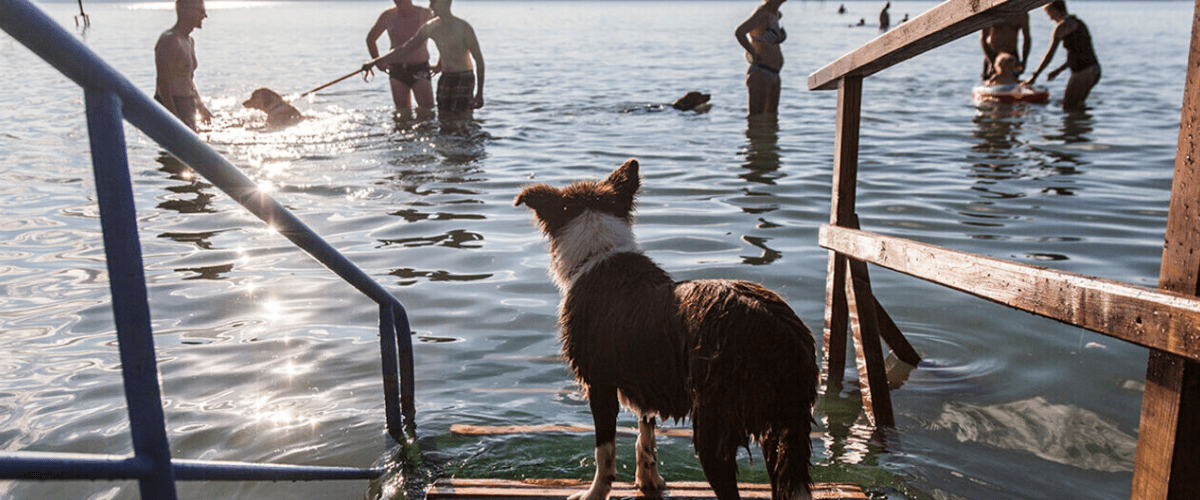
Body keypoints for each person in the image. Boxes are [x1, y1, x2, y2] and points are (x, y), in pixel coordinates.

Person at [371, 0, 484, 121]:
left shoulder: (463, 27)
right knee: (443, 121)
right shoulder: (431, 27)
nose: (430, 6)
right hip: (445, 78)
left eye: (433, 3)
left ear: (445, 3)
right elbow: (405, 48)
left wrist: (479, 94)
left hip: (463, 77)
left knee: (463, 120)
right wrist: (374, 62)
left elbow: (479, 61)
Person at [1024, 0, 1101, 111]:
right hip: (1094, 70)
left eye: (1049, 14)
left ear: (1056, 10)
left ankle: (1075, 127)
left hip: (1082, 72)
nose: (1050, 18)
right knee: (1078, 106)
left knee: (1068, 107)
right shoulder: (1079, 22)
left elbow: (1049, 55)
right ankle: (1084, 127)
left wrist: (1034, 76)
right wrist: (1058, 71)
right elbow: (1078, 54)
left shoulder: (1062, 27)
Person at [366, 0, 434, 114]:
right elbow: (371, 39)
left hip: (420, 68)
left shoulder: (425, 13)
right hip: (397, 70)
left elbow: (445, 38)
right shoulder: (387, 15)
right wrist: (378, 62)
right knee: (402, 114)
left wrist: (440, 64)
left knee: (427, 112)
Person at [155, 0, 212, 132]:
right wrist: (174, 119)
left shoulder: (189, 41)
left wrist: (201, 107)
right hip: (173, 106)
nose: (205, 16)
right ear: (186, 11)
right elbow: (163, 83)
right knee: (170, 152)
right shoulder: (170, 40)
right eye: (201, 11)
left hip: (188, 105)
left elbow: (188, 79)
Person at [735, 0, 787, 116]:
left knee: (772, 120)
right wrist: (752, 51)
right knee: (756, 119)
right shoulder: (761, 13)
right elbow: (740, 32)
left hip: (775, 73)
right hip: (760, 73)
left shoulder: (775, 14)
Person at [980, 12, 1031, 81]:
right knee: (990, 82)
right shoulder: (992, 12)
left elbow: (1027, 39)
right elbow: (983, 39)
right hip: (993, 54)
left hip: (1011, 55)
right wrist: (991, 61)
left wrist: (1024, 61)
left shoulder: (1021, 14)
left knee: (1011, 85)